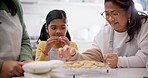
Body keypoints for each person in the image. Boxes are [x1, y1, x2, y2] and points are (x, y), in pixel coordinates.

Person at [58, 0, 148, 68]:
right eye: (107, 14)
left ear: (129, 12)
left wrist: (119, 62)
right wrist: (74, 55)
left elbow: (145, 57)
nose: (110, 19)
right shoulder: (105, 33)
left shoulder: (144, 25)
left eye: (115, 13)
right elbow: (94, 56)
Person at [0, 0, 33, 78]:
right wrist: (1, 66)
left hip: (16, 74)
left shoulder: (15, 3)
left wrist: (26, 59)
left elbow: (24, 39)